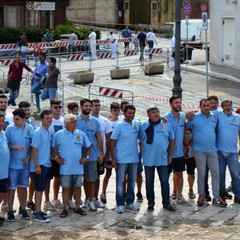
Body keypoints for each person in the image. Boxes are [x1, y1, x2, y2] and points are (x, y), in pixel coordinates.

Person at [185, 98, 227, 207]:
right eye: (204, 105)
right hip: (199, 150)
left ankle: (216, 198)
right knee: (202, 174)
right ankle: (201, 195)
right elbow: (185, 126)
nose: (207, 107)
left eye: (208, 105)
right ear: (200, 106)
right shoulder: (195, 117)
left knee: (216, 174)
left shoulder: (214, 116)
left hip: (212, 150)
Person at [52, 114, 92, 218]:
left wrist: (86, 157)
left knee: (78, 187)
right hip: (65, 167)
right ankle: (65, 209)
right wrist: (56, 158)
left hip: (78, 167)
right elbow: (52, 148)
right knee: (65, 188)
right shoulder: (59, 134)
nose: (76, 123)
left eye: (76, 121)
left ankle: (78, 207)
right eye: (73, 122)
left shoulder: (80, 134)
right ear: (66, 124)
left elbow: (89, 146)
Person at [139, 106, 176, 211]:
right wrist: (140, 143)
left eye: (157, 112)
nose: (156, 114)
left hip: (162, 158)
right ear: (148, 115)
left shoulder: (166, 123)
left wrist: (170, 155)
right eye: (153, 112)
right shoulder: (143, 125)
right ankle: (151, 203)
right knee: (149, 182)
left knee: (164, 182)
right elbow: (137, 136)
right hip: (148, 158)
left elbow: (172, 140)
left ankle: (166, 203)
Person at [5, 108, 34, 222]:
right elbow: (6, 144)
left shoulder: (30, 128)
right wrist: (15, 148)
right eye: (14, 119)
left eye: (17, 119)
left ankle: (23, 208)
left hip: (24, 165)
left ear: (23, 119)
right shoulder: (10, 129)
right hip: (13, 165)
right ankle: (10, 210)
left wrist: (28, 157)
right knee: (11, 188)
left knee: (23, 187)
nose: (15, 121)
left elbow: (32, 145)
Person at [110, 105, 141, 214]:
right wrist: (113, 158)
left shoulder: (136, 124)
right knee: (120, 182)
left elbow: (148, 125)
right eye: (129, 113)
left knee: (132, 181)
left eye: (133, 113)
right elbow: (112, 142)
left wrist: (162, 119)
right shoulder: (119, 125)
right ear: (124, 113)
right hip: (121, 159)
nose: (131, 115)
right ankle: (120, 204)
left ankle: (130, 202)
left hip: (134, 158)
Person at [77, 98, 103, 212]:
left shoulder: (95, 121)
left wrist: (101, 153)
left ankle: (91, 200)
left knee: (91, 179)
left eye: (89, 106)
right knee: (79, 179)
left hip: (92, 155)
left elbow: (99, 138)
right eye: (86, 106)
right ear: (81, 107)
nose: (88, 108)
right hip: (77, 155)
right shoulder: (75, 120)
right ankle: (83, 199)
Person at [213, 99, 240, 203]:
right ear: (222, 107)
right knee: (220, 174)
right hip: (220, 151)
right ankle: (222, 194)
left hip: (233, 152)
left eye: (229, 105)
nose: (228, 107)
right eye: (225, 105)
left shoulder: (238, 117)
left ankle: (238, 195)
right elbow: (202, 111)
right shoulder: (218, 115)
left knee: (235, 174)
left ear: (231, 105)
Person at [164, 96, 189, 205]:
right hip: (169, 153)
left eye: (180, 102)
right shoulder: (166, 118)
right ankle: (167, 197)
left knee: (179, 174)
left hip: (180, 152)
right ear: (171, 105)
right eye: (176, 103)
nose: (179, 104)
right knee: (166, 175)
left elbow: (185, 130)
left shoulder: (183, 116)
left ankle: (179, 195)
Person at [30, 110, 52, 223]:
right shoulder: (38, 132)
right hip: (39, 166)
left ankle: (38, 209)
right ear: (42, 119)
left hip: (46, 164)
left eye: (50, 118)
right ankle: (37, 213)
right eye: (47, 118)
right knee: (39, 189)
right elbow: (34, 148)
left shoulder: (47, 131)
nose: (49, 120)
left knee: (41, 189)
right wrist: (36, 165)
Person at [44, 99, 64, 211]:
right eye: (55, 107)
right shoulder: (48, 121)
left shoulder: (63, 121)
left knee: (58, 177)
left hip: (60, 156)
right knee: (48, 179)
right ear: (51, 108)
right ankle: (46, 200)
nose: (58, 109)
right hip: (49, 156)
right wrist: (54, 156)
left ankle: (55, 199)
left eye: (59, 107)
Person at [91, 99, 112, 208]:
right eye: (95, 105)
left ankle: (95, 198)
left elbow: (108, 139)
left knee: (97, 177)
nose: (97, 107)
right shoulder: (86, 120)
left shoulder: (105, 121)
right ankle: (87, 198)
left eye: (98, 105)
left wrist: (105, 154)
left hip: (100, 154)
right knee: (87, 177)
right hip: (89, 154)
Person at [100, 102, 121, 204]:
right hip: (109, 154)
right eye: (114, 111)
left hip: (119, 154)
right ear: (111, 111)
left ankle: (121, 193)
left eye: (118, 110)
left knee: (121, 176)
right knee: (107, 174)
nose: (116, 113)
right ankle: (103, 192)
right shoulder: (108, 123)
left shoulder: (121, 121)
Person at [0, 113, 10, 226]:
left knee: (2, 193)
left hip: (3, 171)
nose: (1, 123)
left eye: (2, 121)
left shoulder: (3, 133)